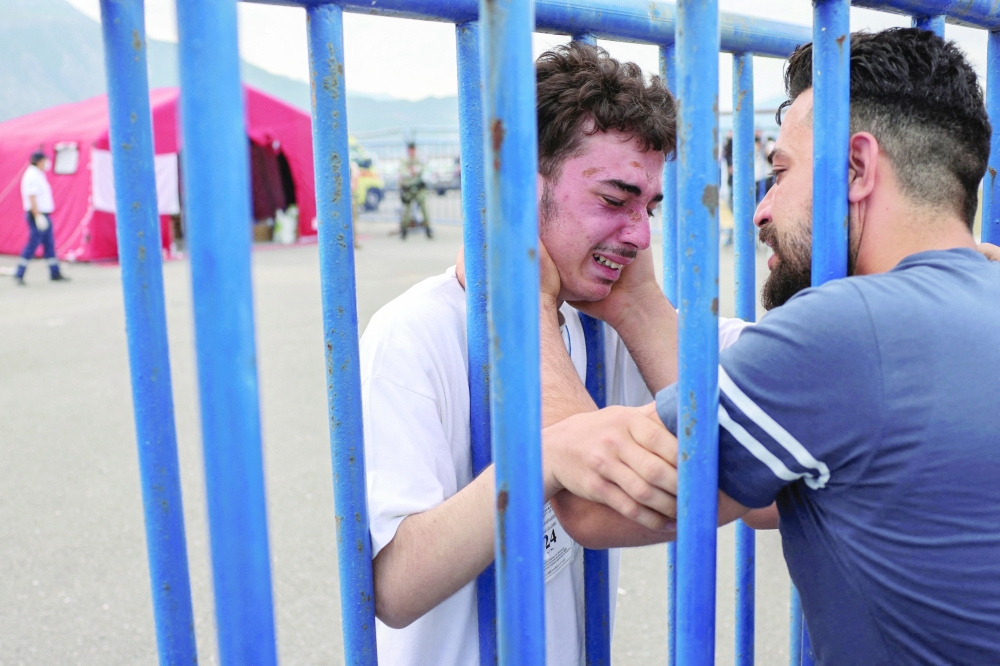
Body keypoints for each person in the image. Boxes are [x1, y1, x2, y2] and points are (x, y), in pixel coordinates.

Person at [546, 28, 1000, 663]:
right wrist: (639, 304)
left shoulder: (847, 330)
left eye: (781, 173)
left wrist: (523, 298)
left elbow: (588, 504)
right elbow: (766, 492)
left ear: (857, 169)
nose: (761, 210)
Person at [360, 43, 749, 665]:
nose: (641, 234)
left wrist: (641, 306)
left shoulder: (598, 322)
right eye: (615, 199)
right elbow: (393, 587)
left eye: (649, 207)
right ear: (517, 188)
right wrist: (538, 462)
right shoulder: (416, 331)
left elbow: (751, 435)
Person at [15, 151, 69, 285]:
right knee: (33, 244)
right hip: (37, 214)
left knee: (49, 244)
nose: (47, 163)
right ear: (39, 161)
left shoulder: (38, 174)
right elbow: (31, 197)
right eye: (44, 160)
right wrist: (37, 215)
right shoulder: (31, 175)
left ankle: (54, 272)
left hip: (43, 214)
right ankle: (19, 272)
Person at [399, 141, 432, 238]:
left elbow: (424, 168)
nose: (412, 151)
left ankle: (428, 229)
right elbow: (403, 172)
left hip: (419, 188)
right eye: (410, 150)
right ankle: (404, 230)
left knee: (424, 209)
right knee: (406, 211)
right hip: (408, 189)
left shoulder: (419, 159)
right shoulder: (404, 160)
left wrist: (415, 170)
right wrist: (410, 172)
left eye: (413, 149)